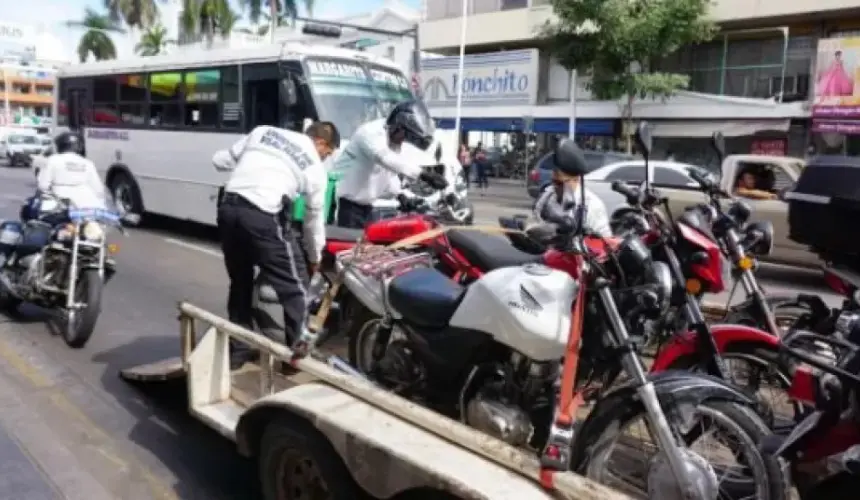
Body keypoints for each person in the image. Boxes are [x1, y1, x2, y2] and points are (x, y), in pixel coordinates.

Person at [212, 121, 339, 369]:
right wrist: (314, 258)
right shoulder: (314, 166)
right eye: (329, 152)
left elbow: (221, 160)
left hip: (228, 209)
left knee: (240, 283)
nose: (326, 157)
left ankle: (239, 349)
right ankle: (297, 358)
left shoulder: (262, 131)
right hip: (264, 215)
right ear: (321, 143)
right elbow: (314, 220)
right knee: (295, 287)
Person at [333, 100, 448, 229]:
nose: (403, 141)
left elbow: (388, 174)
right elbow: (385, 159)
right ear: (397, 127)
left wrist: (400, 195)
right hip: (344, 205)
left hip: (365, 207)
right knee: (349, 246)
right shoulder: (369, 133)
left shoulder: (393, 141)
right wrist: (424, 175)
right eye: (404, 137)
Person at [533, 146, 612, 237]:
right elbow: (536, 224)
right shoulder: (547, 198)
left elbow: (604, 240)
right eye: (553, 181)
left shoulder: (591, 204)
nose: (555, 187)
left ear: (576, 180)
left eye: (560, 183)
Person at [35, 131, 106, 210]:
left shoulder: (52, 160)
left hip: (61, 203)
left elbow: (43, 185)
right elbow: (98, 188)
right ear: (79, 147)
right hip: (88, 203)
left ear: (59, 146)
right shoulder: (87, 163)